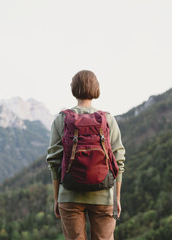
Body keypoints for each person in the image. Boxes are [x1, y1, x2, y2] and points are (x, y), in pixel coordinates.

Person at [46, 70, 125, 240]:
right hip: (104, 196)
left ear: (73, 89)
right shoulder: (108, 120)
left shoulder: (61, 119)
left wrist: (56, 198)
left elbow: (54, 161)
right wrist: (116, 197)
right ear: (96, 88)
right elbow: (119, 160)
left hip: (69, 195)